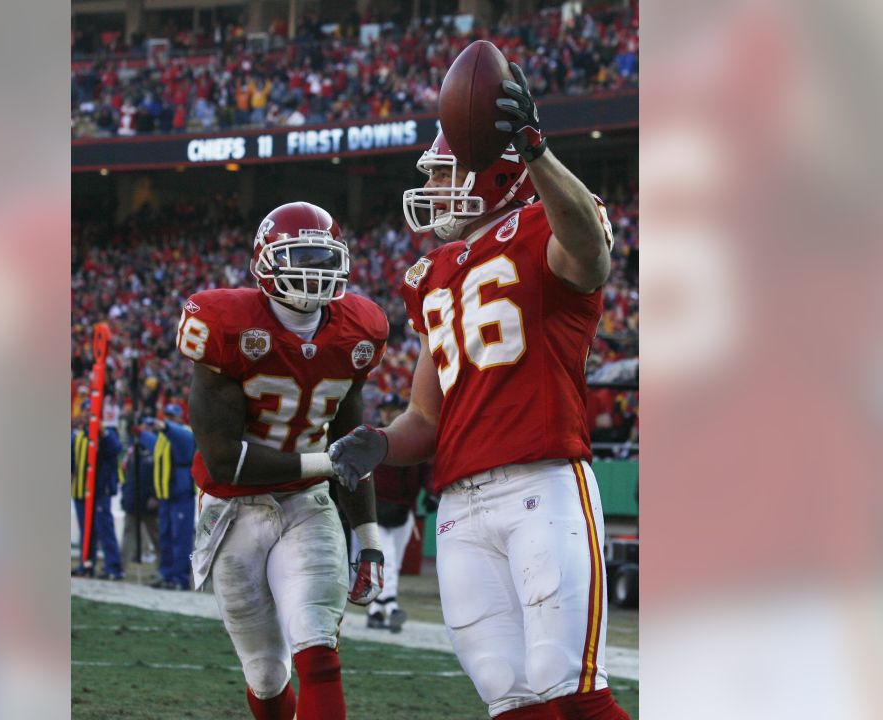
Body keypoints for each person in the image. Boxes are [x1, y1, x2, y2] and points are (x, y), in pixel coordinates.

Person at [328, 63, 631, 720]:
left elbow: (591, 252)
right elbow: (424, 416)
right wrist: (380, 441)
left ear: (490, 172)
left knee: (566, 677)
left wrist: (536, 152)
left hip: (541, 482)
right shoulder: (430, 273)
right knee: (505, 686)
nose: (431, 189)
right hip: (460, 506)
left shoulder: (542, 228)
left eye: (442, 174)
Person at [176, 201, 389, 720]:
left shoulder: (359, 329)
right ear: (265, 262)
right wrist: (327, 463)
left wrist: (369, 541)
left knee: (317, 646)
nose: (314, 272)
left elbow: (349, 439)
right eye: (301, 258)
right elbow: (225, 462)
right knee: (267, 674)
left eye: (324, 259)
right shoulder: (223, 323)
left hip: (306, 505)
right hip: (232, 509)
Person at [355, 394, 434, 633]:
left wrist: (431, 493)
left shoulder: (412, 441)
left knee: (393, 563)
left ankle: (375, 611)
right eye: (385, 409)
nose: (389, 414)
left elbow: (426, 470)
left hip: (402, 512)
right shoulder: (372, 439)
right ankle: (392, 605)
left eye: (394, 409)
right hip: (375, 510)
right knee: (385, 558)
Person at [149, 403, 197, 590]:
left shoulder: (185, 432)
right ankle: (167, 574)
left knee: (181, 537)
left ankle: (181, 578)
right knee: (166, 536)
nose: (168, 418)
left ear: (179, 417)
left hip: (180, 493)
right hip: (166, 494)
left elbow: (181, 437)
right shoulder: (163, 436)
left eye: (172, 415)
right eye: (166, 415)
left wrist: (166, 427)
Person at [71, 414, 125, 580]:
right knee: (86, 531)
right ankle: (86, 564)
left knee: (105, 529)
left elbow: (116, 448)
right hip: (81, 490)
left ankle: (113, 568)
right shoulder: (78, 435)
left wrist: (103, 433)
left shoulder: (106, 433)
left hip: (100, 490)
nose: (86, 418)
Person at [120, 416, 160, 570]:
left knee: (156, 537)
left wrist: (155, 496)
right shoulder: (132, 449)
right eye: (145, 426)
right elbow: (125, 473)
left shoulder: (156, 446)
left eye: (151, 426)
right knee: (128, 534)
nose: (148, 428)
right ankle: (121, 568)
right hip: (132, 499)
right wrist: (125, 494)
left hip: (149, 501)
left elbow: (160, 475)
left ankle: (163, 570)